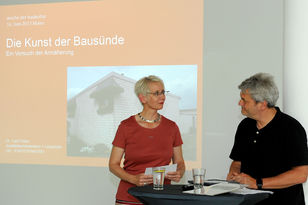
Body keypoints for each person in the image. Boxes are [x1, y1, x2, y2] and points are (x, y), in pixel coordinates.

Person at [227, 73, 308, 204]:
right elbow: (238, 161)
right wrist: (234, 172)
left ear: (262, 104)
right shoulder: (245, 126)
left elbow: (300, 174)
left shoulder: (291, 128)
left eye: (244, 100)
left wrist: (257, 183)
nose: (239, 103)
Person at [109, 75, 185, 205]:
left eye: (163, 92)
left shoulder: (171, 127)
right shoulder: (126, 126)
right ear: (142, 98)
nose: (162, 97)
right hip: (130, 197)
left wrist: (179, 172)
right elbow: (113, 164)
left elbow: (179, 162)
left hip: (162, 197)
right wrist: (133, 179)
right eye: (156, 93)